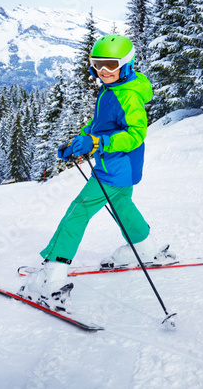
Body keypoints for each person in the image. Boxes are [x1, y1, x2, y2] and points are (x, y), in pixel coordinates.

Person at [19, 34, 174, 312]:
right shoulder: (113, 88)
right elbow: (100, 122)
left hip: (114, 167)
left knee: (78, 211)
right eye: (98, 64)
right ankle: (146, 248)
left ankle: (52, 279)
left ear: (125, 65)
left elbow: (136, 134)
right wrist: (80, 139)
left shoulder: (127, 95)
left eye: (110, 65)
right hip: (122, 167)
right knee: (123, 206)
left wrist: (96, 143)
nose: (103, 71)